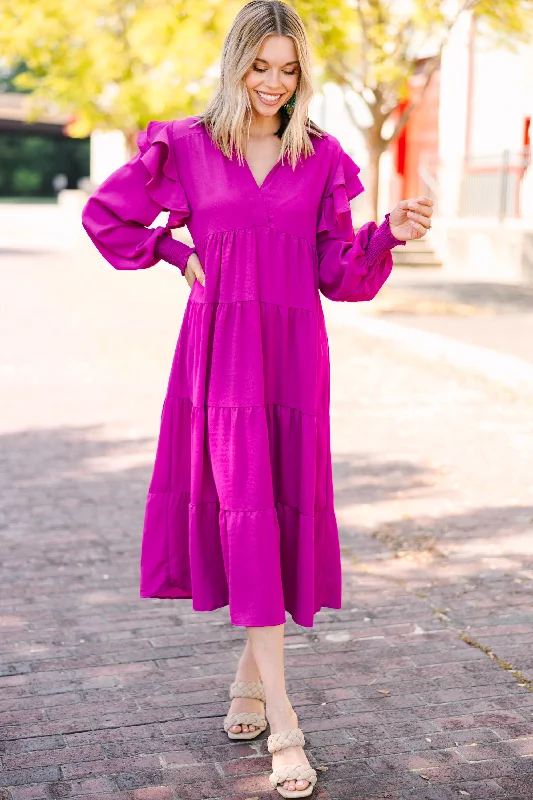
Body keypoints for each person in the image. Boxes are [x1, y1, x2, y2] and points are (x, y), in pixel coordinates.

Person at [81, 1, 433, 795]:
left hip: (295, 357)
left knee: (273, 512)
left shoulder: (320, 156)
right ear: (235, 62)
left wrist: (388, 235)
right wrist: (173, 249)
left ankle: (248, 676)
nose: (273, 82)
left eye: (288, 67)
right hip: (220, 361)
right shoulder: (186, 147)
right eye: (259, 64)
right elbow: (107, 219)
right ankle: (285, 721)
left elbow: (338, 273)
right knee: (244, 507)